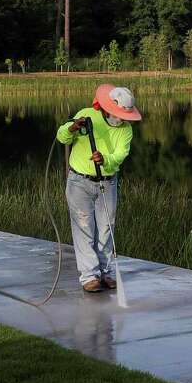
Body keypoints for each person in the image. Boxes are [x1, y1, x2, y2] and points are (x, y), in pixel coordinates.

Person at [57, 83, 141, 292]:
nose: (119, 118)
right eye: (117, 114)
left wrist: (104, 160)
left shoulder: (126, 130)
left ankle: (105, 272)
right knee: (84, 228)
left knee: (106, 228)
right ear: (106, 108)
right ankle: (89, 276)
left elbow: (120, 156)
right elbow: (62, 137)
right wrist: (72, 127)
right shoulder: (86, 115)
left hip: (108, 182)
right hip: (79, 182)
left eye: (123, 115)